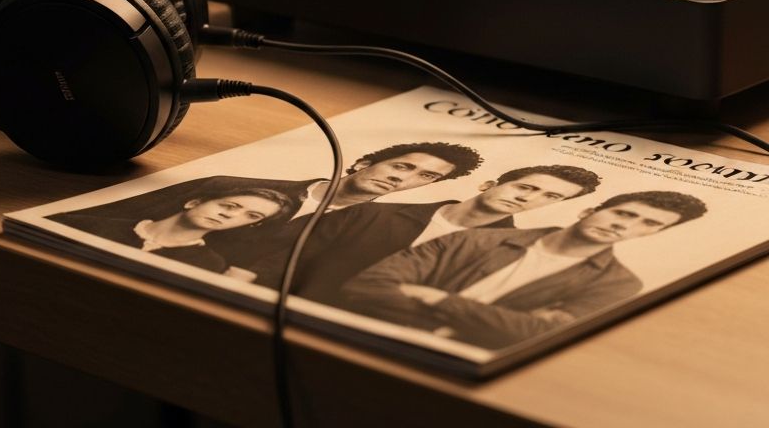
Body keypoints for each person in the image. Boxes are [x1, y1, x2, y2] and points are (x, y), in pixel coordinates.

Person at [339, 190, 707, 350]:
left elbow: (536, 337)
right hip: (370, 342)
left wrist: (441, 300)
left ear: (653, 234)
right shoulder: (475, 239)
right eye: (623, 213)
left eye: (647, 223)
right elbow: (364, 288)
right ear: (587, 211)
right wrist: (497, 322)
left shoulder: (619, 284)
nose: (625, 226)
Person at [68, 140, 483, 272]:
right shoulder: (230, 185)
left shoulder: (378, 232)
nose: (402, 178)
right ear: (364, 162)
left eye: (424, 177)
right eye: (402, 166)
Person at [274, 164, 601, 302]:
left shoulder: (511, 252)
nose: (528, 198)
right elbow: (277, 258)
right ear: (490, 184)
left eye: (551, 197)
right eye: (526, 186)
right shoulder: (372, 212)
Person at [46, 185, 295, 273]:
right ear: (194, 202)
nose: (230, 214)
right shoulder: (84, 223)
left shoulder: (209, 265)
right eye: (229, 204)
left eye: (250, 216)